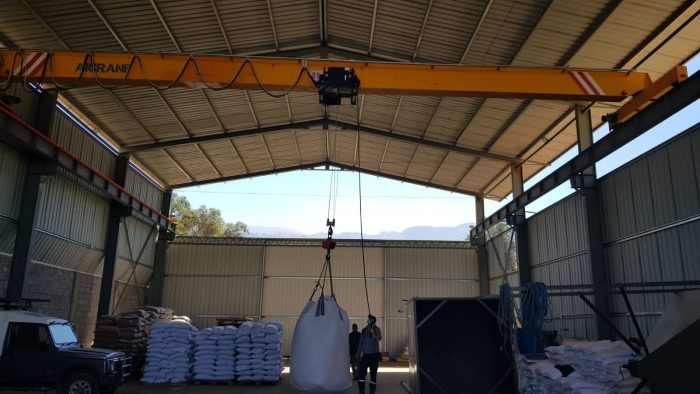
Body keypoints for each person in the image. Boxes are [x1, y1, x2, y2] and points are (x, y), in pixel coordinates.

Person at [355, 314, 382, 394]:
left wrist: (372, 330)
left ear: (373, 321)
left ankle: (372, 391)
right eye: (368, 319)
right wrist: (358, 354)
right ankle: (361, 390)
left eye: (369, 320)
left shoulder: (377, 330)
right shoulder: (364, 330)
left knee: (373, 374)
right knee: (361, 374)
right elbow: (361, 343)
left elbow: (377, 340)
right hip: (365, 355)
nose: (368, 321)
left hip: (374, 355)